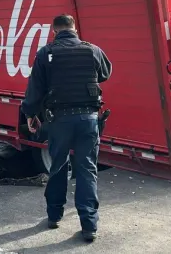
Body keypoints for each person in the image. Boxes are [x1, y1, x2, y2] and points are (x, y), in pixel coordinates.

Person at [21, 14, 112, 242]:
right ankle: (89, 226)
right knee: (86, 170)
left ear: (54, 31)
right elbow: (105, 73)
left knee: (59, 167)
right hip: (89, 120)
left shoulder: (46, 53)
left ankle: (54, 216)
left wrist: (30, 114)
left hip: (59, 121)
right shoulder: (92, 50)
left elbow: (35, 90)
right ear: (75, 29)